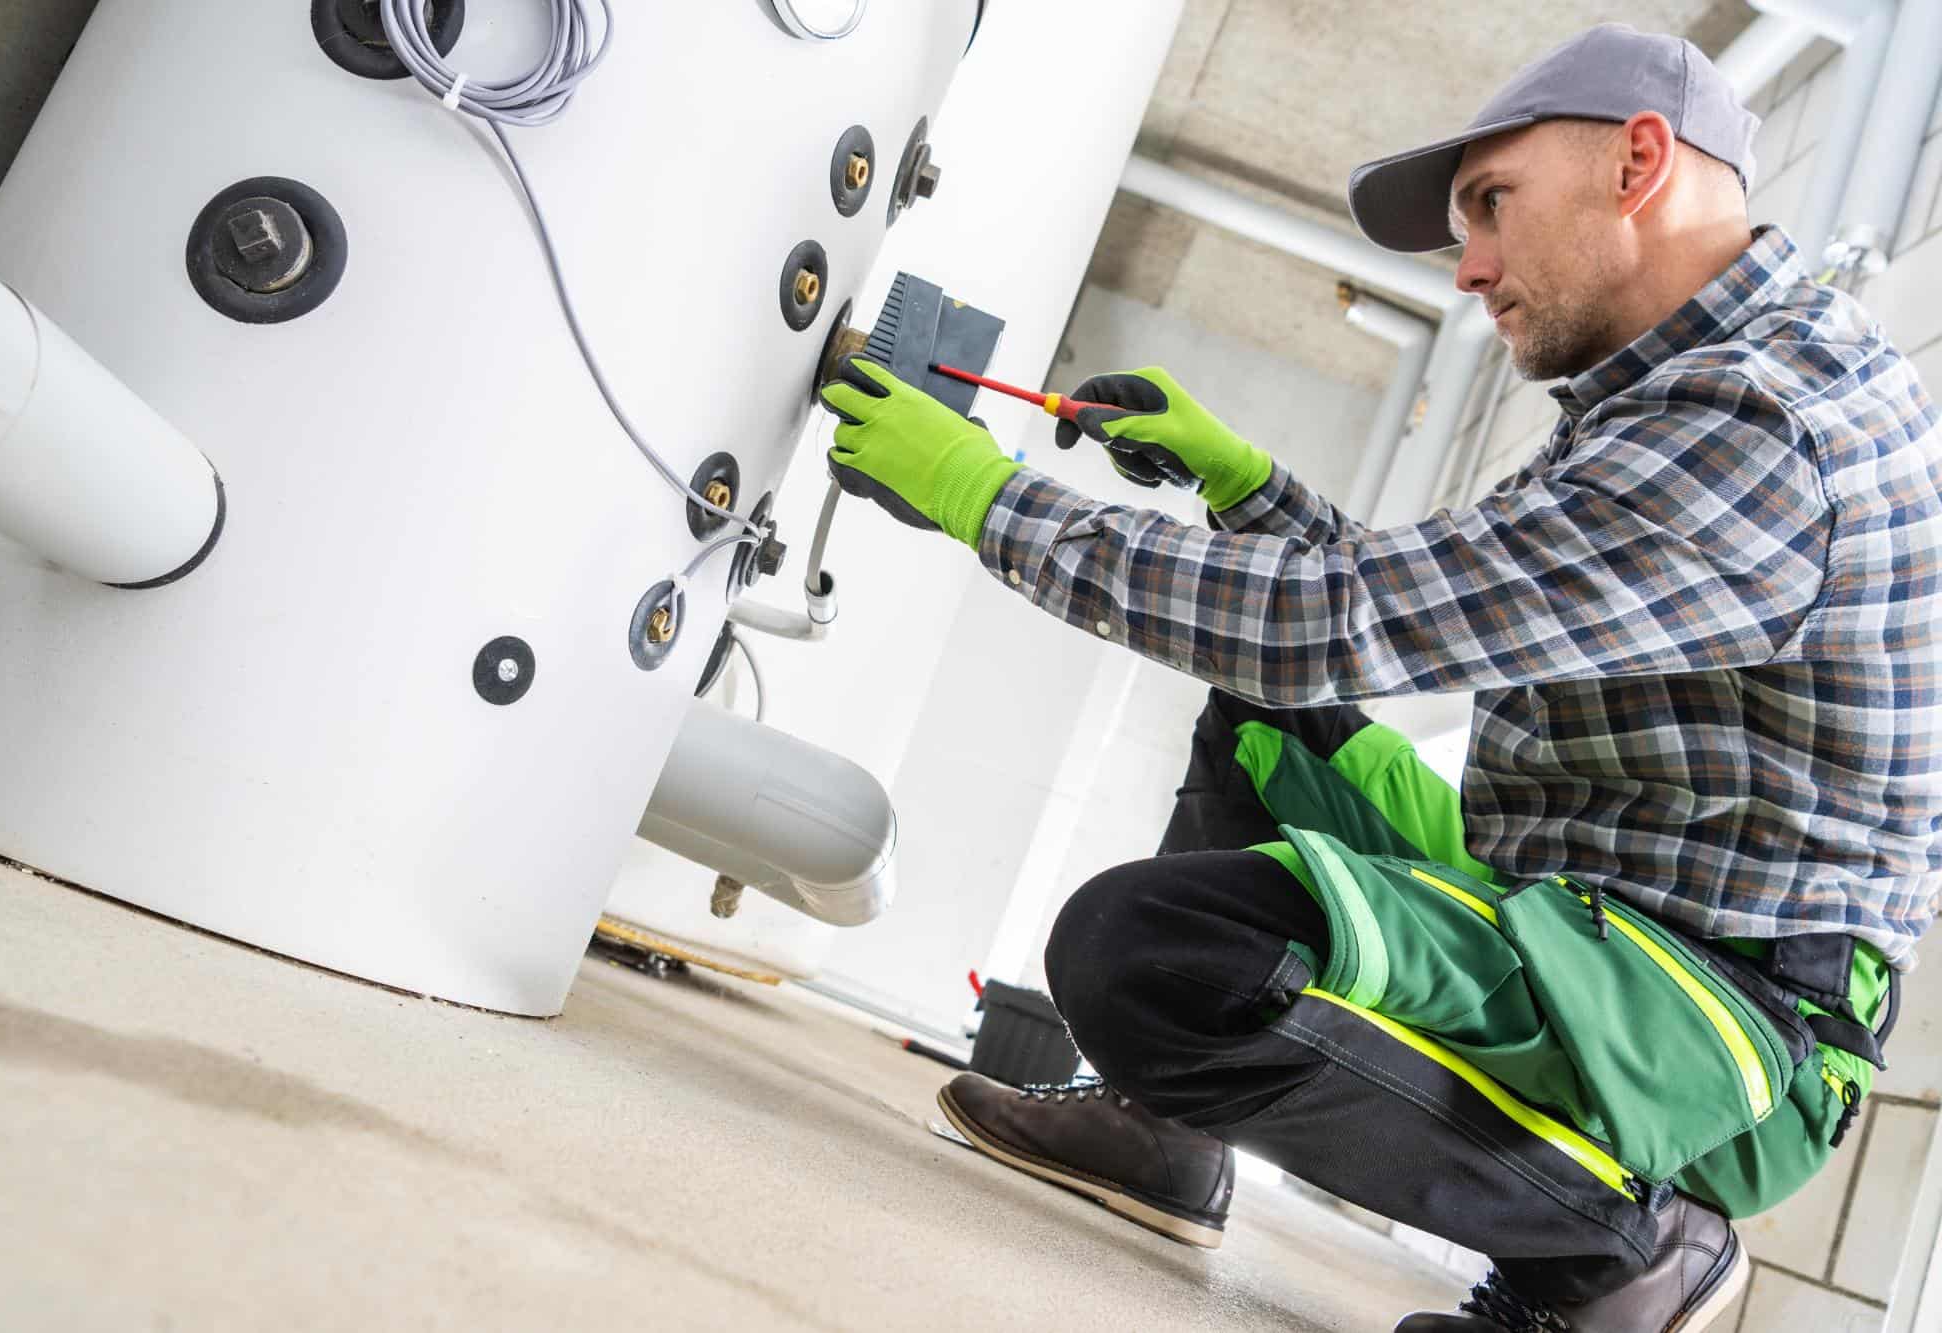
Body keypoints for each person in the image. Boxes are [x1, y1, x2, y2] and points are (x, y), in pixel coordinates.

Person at [819, 22, 1941, 1333]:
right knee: (1269, 722)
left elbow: (1345, 625)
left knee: (1143, 954)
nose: (1469, 268)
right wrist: (1241, 484)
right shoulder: (1669, 395)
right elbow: (1424, 597)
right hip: (1584, 909)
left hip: (1725, 1026)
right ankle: (1173, 1132)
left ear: (1640, 161)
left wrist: (985, 498)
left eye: (1489, 206)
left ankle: (1626, 1253)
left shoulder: (1760, 427)